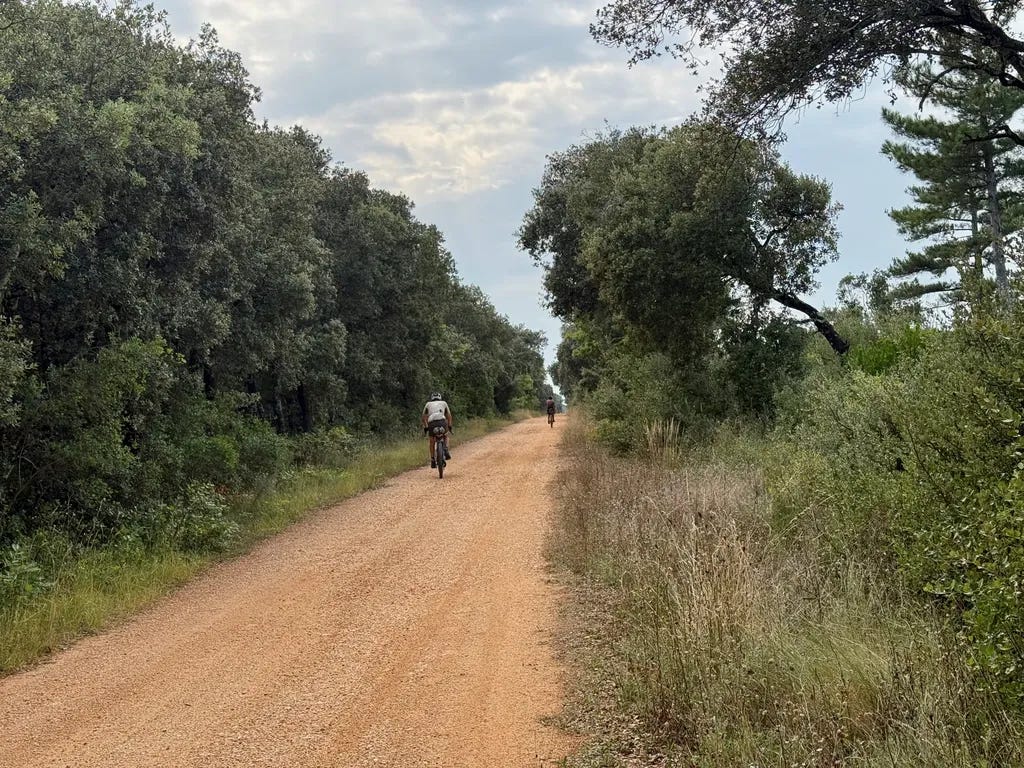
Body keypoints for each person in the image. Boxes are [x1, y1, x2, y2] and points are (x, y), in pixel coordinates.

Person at [422, 392, 453, 468]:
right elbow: (449, 416)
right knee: (445, 435)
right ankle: (445, 449)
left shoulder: (428, 404)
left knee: (432, 440)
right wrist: (449, 426)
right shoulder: (444, 403)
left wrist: (426, 427)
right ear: (440, 397)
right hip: (442, 421)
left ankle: (432, 459)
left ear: (432, 398)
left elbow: (423, 417)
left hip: (432, 423)